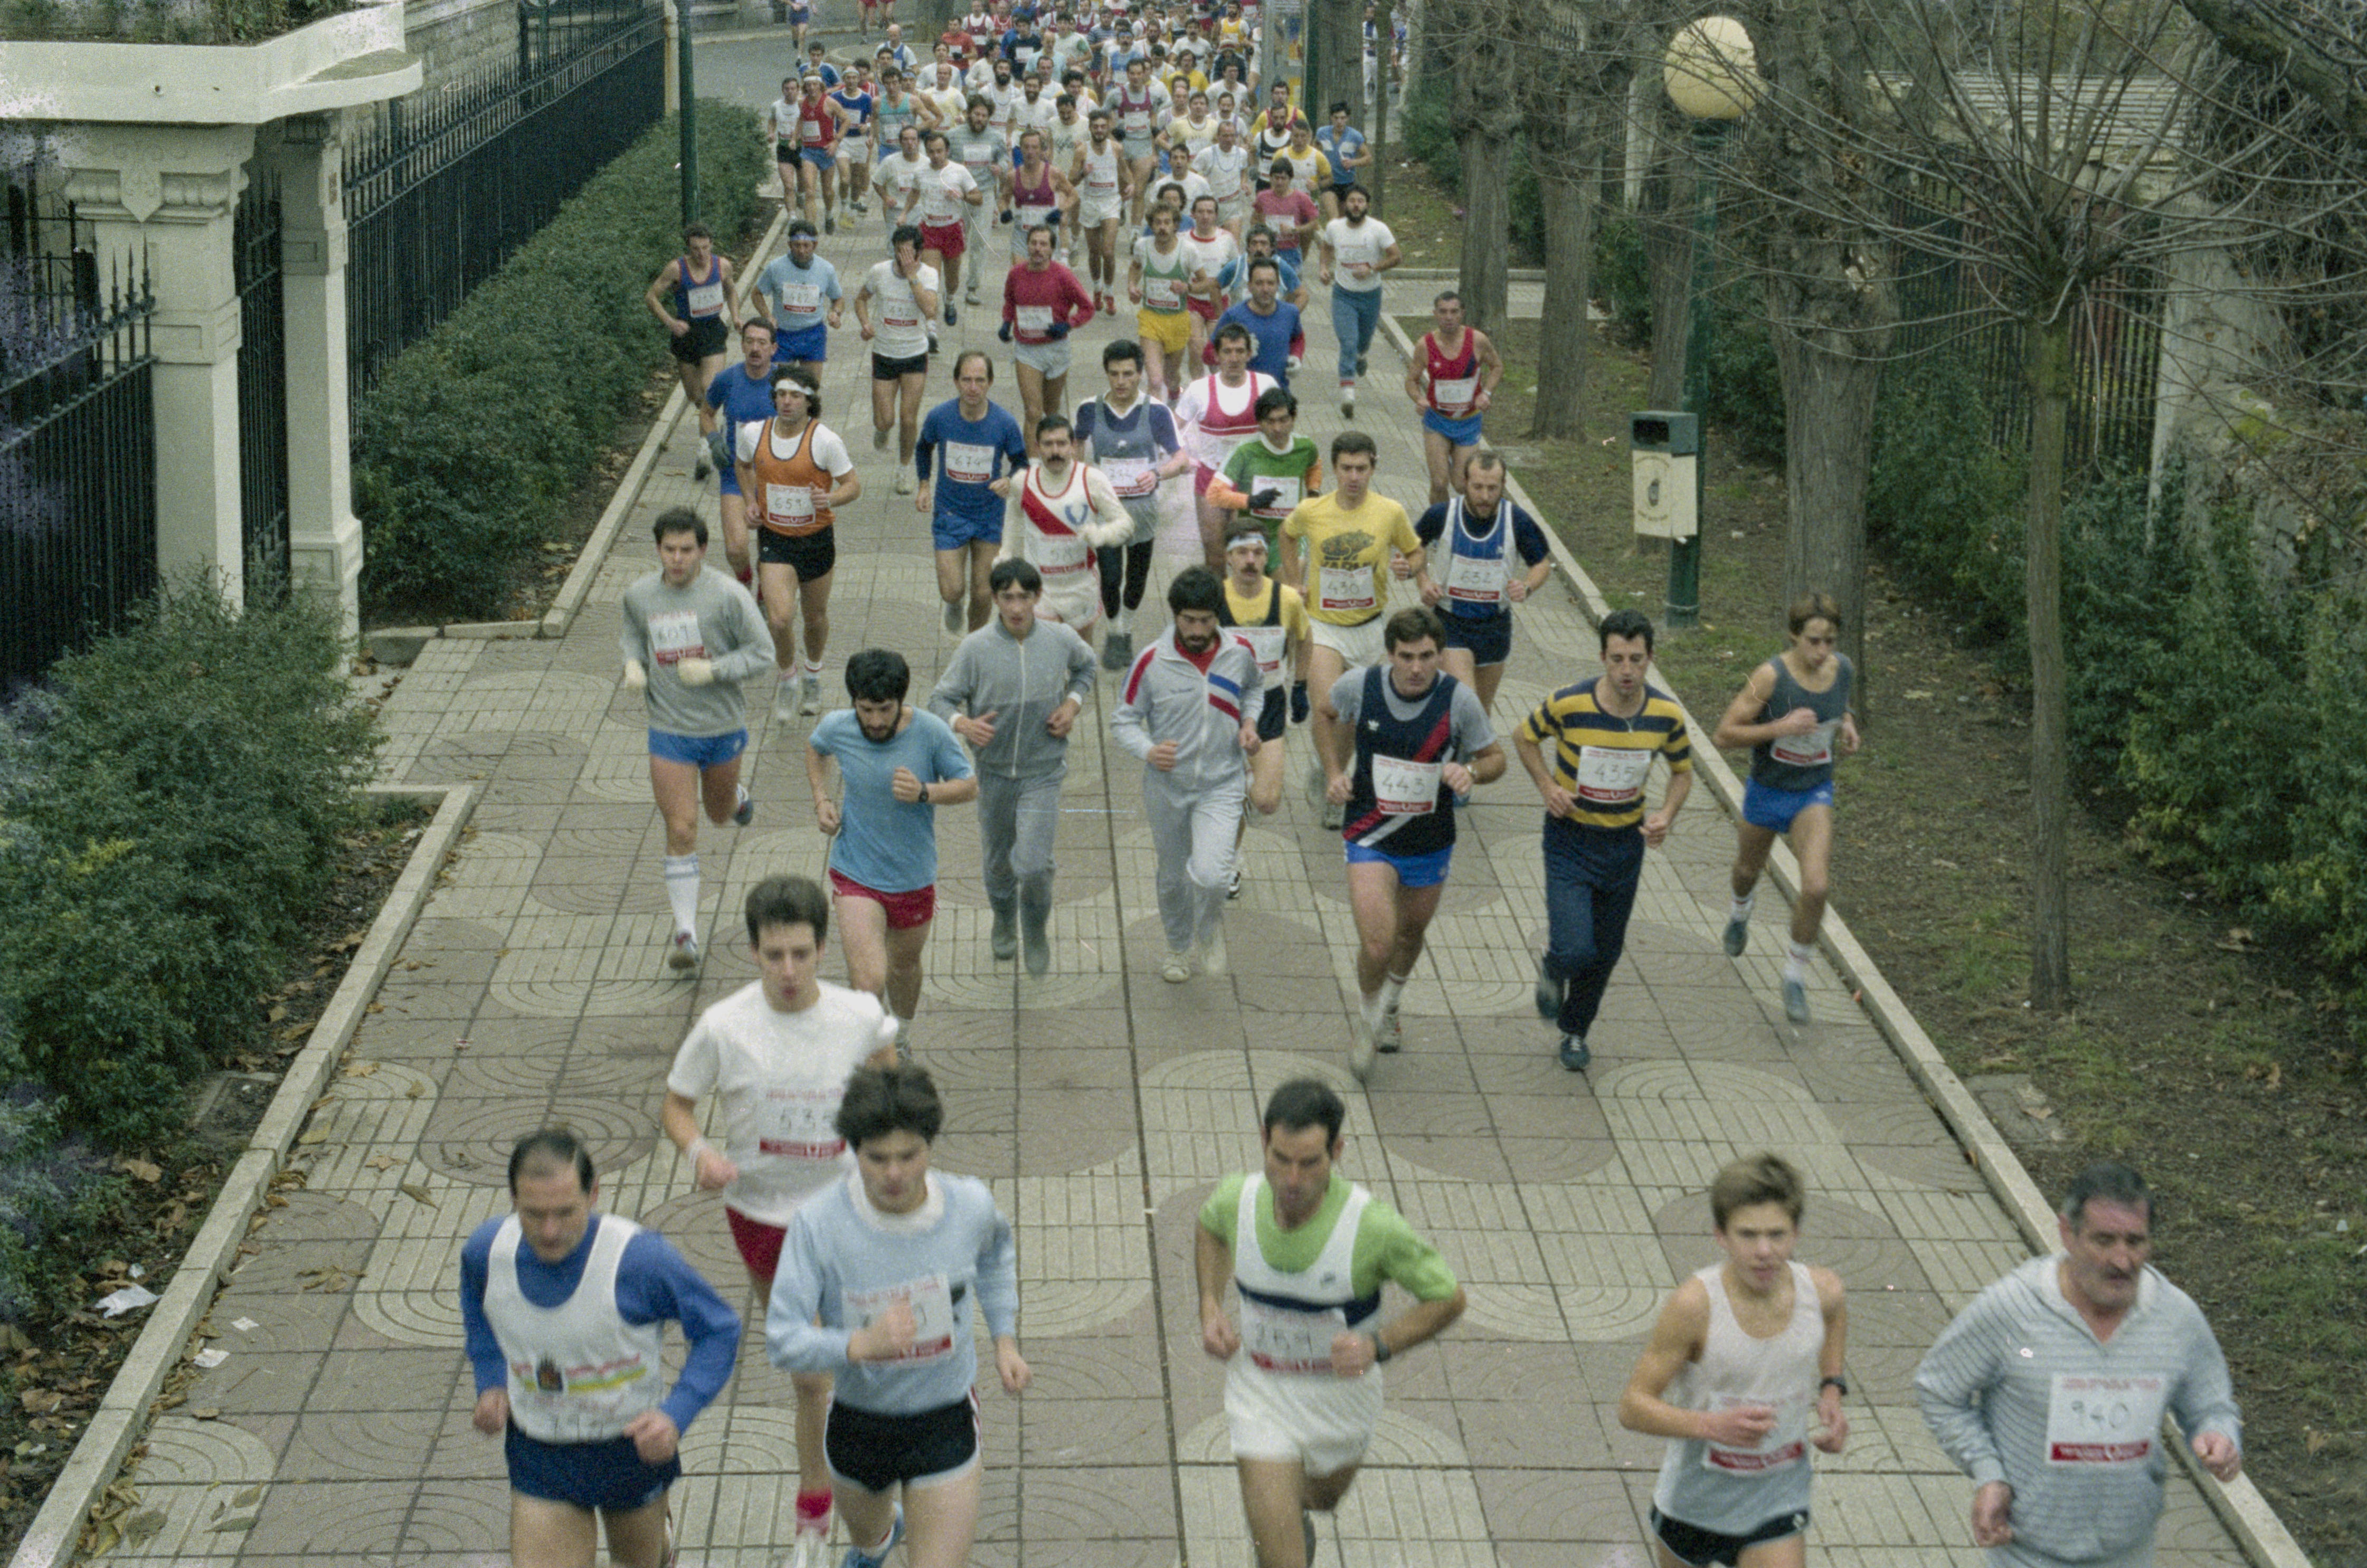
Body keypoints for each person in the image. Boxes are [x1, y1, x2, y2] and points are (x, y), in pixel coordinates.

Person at [659, 876, 898, 1568]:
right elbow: (676, 1105)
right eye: (773, 955)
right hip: (762, 1219)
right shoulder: (723, 1025)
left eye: (800, 953)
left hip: (848, 1217)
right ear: (753, 951)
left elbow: (891, 1094)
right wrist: (700, 1151)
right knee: (809, 1376)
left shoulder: (859, 1016)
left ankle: (871, 1505)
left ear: (823, 948)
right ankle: (815, 1522)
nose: (788, 970)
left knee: (864, 1365)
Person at [1915, 1163, 2244, 1568]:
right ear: (2067, 1233)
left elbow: (2212, 1406)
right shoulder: (2013, 1309)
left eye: (2135, 1241)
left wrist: (2219, 1436)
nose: (2122, 1260)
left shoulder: (2175, 1317)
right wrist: (1988, 1472)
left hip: (2130, 1555)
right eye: (2104, 1240)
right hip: (2026, 1555)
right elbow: (1938, 1388)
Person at [1195, 1077, 1466, 1568]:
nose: (1292, 1179)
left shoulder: (1372, 1226)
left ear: (1337, 1151)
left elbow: (1448, 1298)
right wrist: (1210, 1304)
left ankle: (1292, 1517)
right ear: (1264, 1140)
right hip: (1261, 1393)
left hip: (1341, 1403)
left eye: (1310, 1163)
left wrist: (1379, 1344)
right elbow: (1210, 1228)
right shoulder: (1238, 1198)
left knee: (1319, 1498)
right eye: (1280, 1158)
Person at [766, 1063, 1029, 1568]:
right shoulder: (819, 1224)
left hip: (944, 1417)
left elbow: (997, 1256)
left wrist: (1005, 1338)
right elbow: (781, 1336)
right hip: (859, 1421)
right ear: (853, 1150)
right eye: (877, 1157)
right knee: (869, 1536)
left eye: (909, 1156)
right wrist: (858, 1345)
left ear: (930, 1146)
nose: (894, 1173)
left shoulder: (970, 1205)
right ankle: (878, 1542)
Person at [462, 1128, 740, 1568]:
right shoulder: (486, 1252)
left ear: (593, 1194)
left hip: (630, 1447)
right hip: (541, 1447)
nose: (550, 1231)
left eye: (565, 1212)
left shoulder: (640, 1259)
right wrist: (491, 1378)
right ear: (513, 1199)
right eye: (533, 1214)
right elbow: (478, 1307)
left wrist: (676, 1413)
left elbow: (719, 1328)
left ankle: (661, 1540)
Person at [1617, 1153, 1850, 1568]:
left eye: (1777, 1234)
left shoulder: (1821, 1290)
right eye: (1748, 1235)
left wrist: (1832, 1385)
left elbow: (1835, 1316)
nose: (1764, 1251)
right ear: (1720, 1235)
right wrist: (1711, 1426)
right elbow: (1633, 1407)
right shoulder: (1694, 1306)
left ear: (1796, 1233)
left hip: (1778, 1499)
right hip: (1696, 1506)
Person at [1318, 606, 1504, 1078]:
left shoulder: (1458, 700)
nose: (1417, 667)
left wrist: (1471, 771)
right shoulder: (1361, 685)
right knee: (1378, 944)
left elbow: (1496, 758)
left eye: (1426, 656)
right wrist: (1334, 772)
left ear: (1440, 655)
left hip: (1429, 840)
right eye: (1406, 656)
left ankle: (1392, 1002)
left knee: (1410, 935)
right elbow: (1326, 715)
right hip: (1370, 832)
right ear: (1390, 654)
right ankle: (1368, 1020)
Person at [1516, 607, 1693, 1071]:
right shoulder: (1569, 703)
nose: (1627, 670)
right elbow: (1524, 737)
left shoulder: (1666, 715)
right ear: (1602, 658)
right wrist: (1548, 787)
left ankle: (1575, 1031)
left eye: (1636, 659)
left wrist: (1666, 815)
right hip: (1570, 839)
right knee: (1576, 946)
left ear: (1651, 659)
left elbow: (1682, 772)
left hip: (1624, 846)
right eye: (1617, 659)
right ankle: (1554, 967)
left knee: (1606, 952)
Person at [928, 559, 1098, 975]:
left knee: (1035, 865)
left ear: (1038, 597)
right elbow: (940, 699)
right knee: (998, 862)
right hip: (994, 773)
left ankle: (1034, 928)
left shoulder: (1060, 638)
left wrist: (1071, 704)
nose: (1017, 607)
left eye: (1024, 597)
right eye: (1008, 597)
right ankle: (1004, 918)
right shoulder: (975, 648)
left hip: (1044, 772)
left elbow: (1087, 666)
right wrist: (963, 724)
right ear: (996, 599)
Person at [621, 510, 773, 971]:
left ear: (703, 550)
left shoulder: (727, 596)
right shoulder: (640, 595)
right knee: (682, 828)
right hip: (669, 729)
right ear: (658, 549)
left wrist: (714, 670)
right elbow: (632, 634)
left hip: (722, 727)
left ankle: (736, 797)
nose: (677, 559)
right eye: (669, 549)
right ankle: (686, 933)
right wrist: (633, 664)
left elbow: (762, 653)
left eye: (687, 550)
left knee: (718, 814)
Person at [806, 649, 979, 1048]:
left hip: (911, 876)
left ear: (901, 701)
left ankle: (901, 1036)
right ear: (854, 702)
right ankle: (876, 1049)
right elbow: (815, 749)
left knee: (903, 968)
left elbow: (969, 785)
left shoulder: (931, 732)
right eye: (866, 710)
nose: (875, 721)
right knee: (868, 980)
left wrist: (925, 792)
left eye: (885, 709)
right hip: (855, 871)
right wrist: (821, 799)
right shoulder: (838, 727)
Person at [1712, 592, 1860, 1026]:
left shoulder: (1843, 669)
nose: (1822, 651)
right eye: (1813, 641)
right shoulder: (1769, 676)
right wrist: (1781, 727)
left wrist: (1847, 724)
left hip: (1813, 792)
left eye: (1830, 641)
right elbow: (1724, 734)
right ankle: (1740, 911)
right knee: (1747, 870)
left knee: (1816, 887)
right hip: (1768, 790)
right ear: (1794, 636)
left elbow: (1840, 703)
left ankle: (1794, 976)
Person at [1112, 565, 1264, 982]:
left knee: (1213, 876)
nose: (1197, 630)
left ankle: (1209, 930)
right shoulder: (1151, 660)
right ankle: (1178, 947)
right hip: (1168, 788)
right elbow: (1123, 720)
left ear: (1218, 616)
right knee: (1173, 876)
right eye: (1189, 620)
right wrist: (1149, 750)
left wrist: (1249, 723)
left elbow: (1255, 688)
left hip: (1223, 783)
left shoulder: (1240, 652)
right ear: (1175, 615)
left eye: (1206, 620)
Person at [1275, 431, 1420, 831]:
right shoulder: (1313, 509)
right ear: (1335, 469)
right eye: (1346, 469)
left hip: (1370, 628)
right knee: (1330, 707)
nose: (1354, 477)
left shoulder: (1390, 512)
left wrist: (1409, 567)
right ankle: (1335, 782)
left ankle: (1330, 772)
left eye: (1361, 469)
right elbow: (1286, 534)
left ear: (1373, 468)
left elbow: (1415, 551)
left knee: (1354, 717)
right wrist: (1294, 580)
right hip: (1323, 626)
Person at [736, 367, 861, 720]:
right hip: (775, 540)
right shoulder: (753, 433)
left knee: (815, 617)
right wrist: (751, 501)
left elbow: (853, 485)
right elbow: (742, 465)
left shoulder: (825, 441)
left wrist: (830, 499)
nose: (787, 402)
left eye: (795, 396)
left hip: (816, 540)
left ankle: (814, 674)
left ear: (809, 401)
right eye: (781, 395)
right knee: (779, 619)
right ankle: (788, 678)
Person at [1073, 338, 1190, 670]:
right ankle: (1115, 632)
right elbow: (1076, 445)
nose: (1121, 382)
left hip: (1143, 512)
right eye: (1114, 374)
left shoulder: (1157, 412)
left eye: (1128, 374)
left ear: (1140, 374)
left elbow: (1181, 459)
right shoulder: (1089, 409)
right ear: (1106, 374)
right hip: (1107, 513)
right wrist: (1081, 478)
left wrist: (1157, 474)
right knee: (1110, 577)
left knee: (1136, 579)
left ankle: (1127, 627)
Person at [1405, 450, 1551, 714]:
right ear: (1465, 483)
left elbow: (1541, 564)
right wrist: (1423, 582)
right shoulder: (1442, 514)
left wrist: (1527, 586)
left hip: (1495, 627)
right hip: (1451, 623)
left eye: (1492, 488)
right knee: (1467, 705)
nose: (1485, 496)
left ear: (1503, 485)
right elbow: (1413, 548)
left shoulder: (1516, 520)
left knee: (1480, 715)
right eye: (1478, 487)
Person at [1215, 526, 1308, 894]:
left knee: (1266, 801)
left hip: (1269, 702)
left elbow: (1305, 639)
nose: (1250, 561)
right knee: (1230, 791)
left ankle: (1243, 784)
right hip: (1223, 705)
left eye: (1258, 553)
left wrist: (1300, 686)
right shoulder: (1214, 599)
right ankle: (1230, 860)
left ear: (1267, 558)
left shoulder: (1287, 599)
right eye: (1242, 553)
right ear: (1229, 558)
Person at [915, 350, 1032, 634]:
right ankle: (954, 604)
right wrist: (924, 484)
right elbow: (923, 447)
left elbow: (1022, 464)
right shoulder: (940, 417)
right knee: (952, 590)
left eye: (980, 380)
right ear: (956, 382)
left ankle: (973, 644)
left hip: (989, 515)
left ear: (990, 383)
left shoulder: (1004, 423)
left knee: (984, 592)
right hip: (950, 513)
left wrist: (1009, 481)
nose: (973, 387)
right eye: (966, 380)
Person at [996, 413, 1135, 635]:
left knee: (1082, 650)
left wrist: (1102, 534)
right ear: (1037, 447)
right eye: (1048, 444)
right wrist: (1004, 557)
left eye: (1062, 444)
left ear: (1073, 446)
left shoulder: (1092, 479)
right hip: (1040, 589)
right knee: (1045, 650)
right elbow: (1012, 526)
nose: (1055, 451)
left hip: (1081, 586)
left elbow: (1126, 524)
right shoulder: (1022, 482)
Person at [1176, 322, 1279, 569]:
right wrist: (1180, 457)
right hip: (1212, 480)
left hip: (1252, 481)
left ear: (1249, 354)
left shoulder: (1265, 386)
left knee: (1251, 558)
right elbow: (1171, 430)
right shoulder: (1199, 390)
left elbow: (1282, 428)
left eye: (1240, 351)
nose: (1234, 358)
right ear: (1216, 355)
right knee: (1215, 556)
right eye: (1228, 352)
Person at [855, 224, 943, 491]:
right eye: (898, 252)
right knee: (885, 420)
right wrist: (866, 323)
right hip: (884, 353)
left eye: (907, 254)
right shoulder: (879, 271)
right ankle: (882, 430)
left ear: (919, 254)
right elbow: (860, 299)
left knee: (908, 419)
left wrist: (912, 276)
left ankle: (904, 469)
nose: (902, 259)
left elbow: (930, 310)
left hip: (914, 354)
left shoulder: (928, 274)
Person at [646, 225, 736, 475]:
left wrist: (736, 316)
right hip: (685, 335)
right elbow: (651, 297)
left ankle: (705, 453)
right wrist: (671, 323)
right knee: (695, 396)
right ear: (688, 248)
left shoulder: (722, 265)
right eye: (696, 249)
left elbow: (731, 290)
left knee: (709, 388)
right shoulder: (676, 269)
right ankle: (711, 424)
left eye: (706, 248)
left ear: (712, 245)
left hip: (712, 332)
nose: (701, 254)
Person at [998, 223, 1095, 448]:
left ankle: (1052, 454)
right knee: (1033, 412)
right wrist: (1006, 323)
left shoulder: (1063, 275)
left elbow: (1087, 308)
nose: (1038, 249)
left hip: (1056, 349)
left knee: (1051, 411)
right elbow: (1010, 301)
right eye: (1033, 243)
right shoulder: (1016, 274)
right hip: (1027, 350)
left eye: (1044, 244)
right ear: (1027, 246)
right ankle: (1031, 463)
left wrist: (1068, 325)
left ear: (1052, 249)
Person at [699, 317, 780, 587]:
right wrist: (714, 440)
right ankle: (744, 582)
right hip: (735, 473)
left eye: (762, 343)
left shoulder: (784, 383)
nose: (755, 348)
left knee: (770, 550)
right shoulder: (728, 379)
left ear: (773, 349)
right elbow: (706, 413)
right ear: (742, 345)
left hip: (774, 476)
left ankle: (764, 590)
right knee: (735, 548)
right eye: (750, 341)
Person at [1404, 289, 1502, 505]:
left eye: (1454, 312)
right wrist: (1419, 399)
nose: (1448, 317)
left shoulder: (1477, 340)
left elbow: (1497, 367)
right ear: (1435, 314)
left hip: (1468, 422)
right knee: (1439, 483)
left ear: (1462, 313)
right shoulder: (1425, 345)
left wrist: (1486, 393)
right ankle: (1440, 523)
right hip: (1437, 421)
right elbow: (1411, 381)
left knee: (1461, 484)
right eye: (1443, 312)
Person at [1206, 383, 1320, 553]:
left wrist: (1313, 491)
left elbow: (1314, 466)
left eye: (1283, 420)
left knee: (1293, 571)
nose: (1277, 428)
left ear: (1293, 418)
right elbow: (1214, 495)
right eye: (1270, 421)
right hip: (1253, 539)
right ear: (1259, 423)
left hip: (1291, 535)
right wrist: (1251, 501)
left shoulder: (1306, 447)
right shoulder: (1245, 451)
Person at [1318, 186, 1399, 419]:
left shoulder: (1378, 229)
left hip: (1370, 295)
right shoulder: (1335, 227)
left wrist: (1372, 268)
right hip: (1343, 295)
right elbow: (1326, 247)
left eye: (1360, 201)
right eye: (1352, 201)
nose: (1356, 205)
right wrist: (1323, 267)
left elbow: (1396, 256)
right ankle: (1348, 394)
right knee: (1348, 342)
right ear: (1345, 205)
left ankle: (1362, 356)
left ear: (1367, 205)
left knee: (1362, 343)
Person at [904, 129, 983, 325]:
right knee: (931, 278)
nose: (936, 156)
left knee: (952, 280)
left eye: (939, 151)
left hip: (952, 229)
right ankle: (931, 322)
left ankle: (950, 300)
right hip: (929, 229)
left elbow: (979, 198)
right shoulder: (921, 172)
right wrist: (904, 212)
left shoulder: (959, 171)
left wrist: (963, 196)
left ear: (947, 151)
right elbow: (914, 193)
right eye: (931, 152)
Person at [754, 220, 845, 380]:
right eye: (797, 246)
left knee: (811, 387)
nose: (802, 251)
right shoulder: (775, 267)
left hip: (813, 334)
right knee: (781, 386)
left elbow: (838, 299)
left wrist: (836, 313)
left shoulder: (826, 269)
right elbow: (756, 294)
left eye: (806, 246)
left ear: (815, 245)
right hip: (783, 335)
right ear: (789, 245)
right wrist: (767, 316)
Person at [1127, 202, 1196, 405]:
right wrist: (1132, 286)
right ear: (1152, 225)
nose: (1162, 227)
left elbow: (1204, 283)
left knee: (1171, 377)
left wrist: (1187, 287)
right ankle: (1155, 417)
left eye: (1167, 223)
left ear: (1176, 225)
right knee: (1156, 380)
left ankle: (1175, 391)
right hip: (1151, 319)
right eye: (1158, 223)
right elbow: (1135, 267)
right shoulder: (1143, 246)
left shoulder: (1188, 250)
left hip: (1178, 321)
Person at [948, 97, 1012, 308]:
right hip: (961, 196)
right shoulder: (954, 136)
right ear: (969, 114)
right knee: (957, 243)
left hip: (984, 194)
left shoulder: (995, 137)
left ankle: (973, 288)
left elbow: (1005, 159)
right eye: (976, 114)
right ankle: (951, 286)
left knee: (980, 243)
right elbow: (943, 161)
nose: (980, 119)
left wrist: (1000, 167)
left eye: (984, 115)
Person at [1073, 108, 1133, 313]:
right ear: (1090, 128)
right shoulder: (1082, 151)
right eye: (1096, 127)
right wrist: (1083, 173)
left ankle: (1109, 293)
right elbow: (1072, 180)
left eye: (1103, 127)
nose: (1099, 130)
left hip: (1111, 202)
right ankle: (1097, 289)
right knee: (1094, 252)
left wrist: (1132, 184)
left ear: (1108, 128)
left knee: (1108, 252)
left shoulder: (1116, 148)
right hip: (1090, 202)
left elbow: (1124, 170)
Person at [1215, 255, 1303, 385]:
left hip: (1277, 392)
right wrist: (1237, 350)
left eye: (1270, 283)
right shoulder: (1233, 316)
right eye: (1259, 283)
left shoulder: (1291, 313)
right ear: (1250, 286)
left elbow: (1298, 338)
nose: (1265, 289)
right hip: (1242, 391)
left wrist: (1296, 356)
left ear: (1278, 286)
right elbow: (1209, 353)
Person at [1179, 193, 1241, 368]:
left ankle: (1217, 381)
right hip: (1192, 301)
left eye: (1210, 212)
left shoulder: (1227, 239)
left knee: (1217, 353)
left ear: (1216, 215)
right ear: (1193, 214)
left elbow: (1236, 269)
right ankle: (1197, 383)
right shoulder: (1182, 239)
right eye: (1201, 212)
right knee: (1195, 347)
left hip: (1219, 302)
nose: (1205, 216)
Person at [793, 72, 849, 234]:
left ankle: (829, 215)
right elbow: (801, 120)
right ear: (805, 87)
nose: (812, 88)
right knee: (810, 191)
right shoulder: (802, 102)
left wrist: (836, 142)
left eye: (815, 84)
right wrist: (794, 137)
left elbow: (846, 120)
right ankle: (810, 229)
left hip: (826, 151)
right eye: (808, 85)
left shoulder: (830, 102)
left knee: (828, 191)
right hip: (809, 151)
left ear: (820, 85)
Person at [830, 70, 878, 218]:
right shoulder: (836, 97)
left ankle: (853, 204)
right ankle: (844, 205)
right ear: (844, 80)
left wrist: (868, 127)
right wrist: (833, 132)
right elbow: (828, 116)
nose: (851, 81)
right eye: (848, 78)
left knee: (857, 180)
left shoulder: (866, 98)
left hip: (859, 141)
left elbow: (874, 119)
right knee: (845, 179)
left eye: (854, 78)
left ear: (858, 79)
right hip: (843, 140)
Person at [1251, 157, 1320, 258]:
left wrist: (1295, 230)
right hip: (1267, 251)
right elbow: (1254, 219)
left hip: (1291, 251)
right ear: (1271, 178)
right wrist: (1261, 232)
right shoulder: (1263, 197)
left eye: (1283, 178)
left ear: (1290, 179)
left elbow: (1314, 223)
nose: (1279, 182)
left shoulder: (1301, 198)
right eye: (1276, 178)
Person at [1314, 101, 1368, 220]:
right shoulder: (1322, 133)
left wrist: (1353, 162)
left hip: (1347, 183)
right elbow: (1314, 152)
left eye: (1343, 118)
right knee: (1334, 220)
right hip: (1329, 183)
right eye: (1336, 118)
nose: (1339, 122)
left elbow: (1368, 158)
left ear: (1347, 118)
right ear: (1331, 118)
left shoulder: (1355, 136)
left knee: (1344, 221)